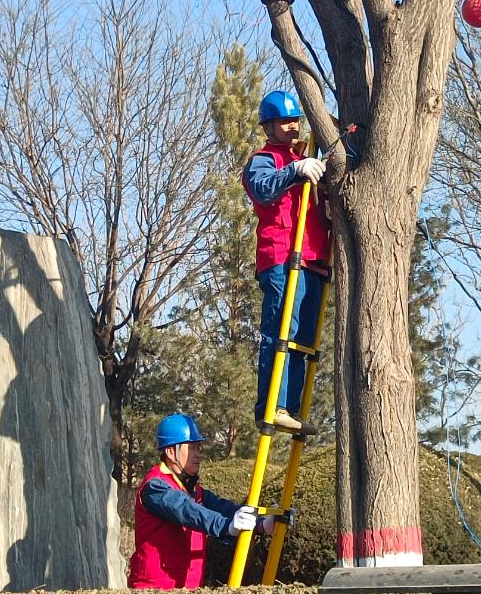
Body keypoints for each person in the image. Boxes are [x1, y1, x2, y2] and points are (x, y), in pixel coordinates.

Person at [241, 90, 330, 436]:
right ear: (269, 126)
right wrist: (294, 169)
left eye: (295, 120)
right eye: (285, 121)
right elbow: (262, 189)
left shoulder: (305, 160)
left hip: (312, 260)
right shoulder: (266, 159)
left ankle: (289, 407)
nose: (292, 127)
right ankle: (272, 405)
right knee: (281, 333)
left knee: (302, 339)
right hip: (282, 258)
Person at [128, 413, 275, 589]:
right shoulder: (155, 487)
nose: (198, 454)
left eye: (199, 448)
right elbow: (187, 510)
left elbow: (223, 509)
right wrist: (227, 526)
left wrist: (262, 524)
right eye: (191, 448)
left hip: (188, 586)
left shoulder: (193, 489)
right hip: (154, 588)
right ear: (170, 452)